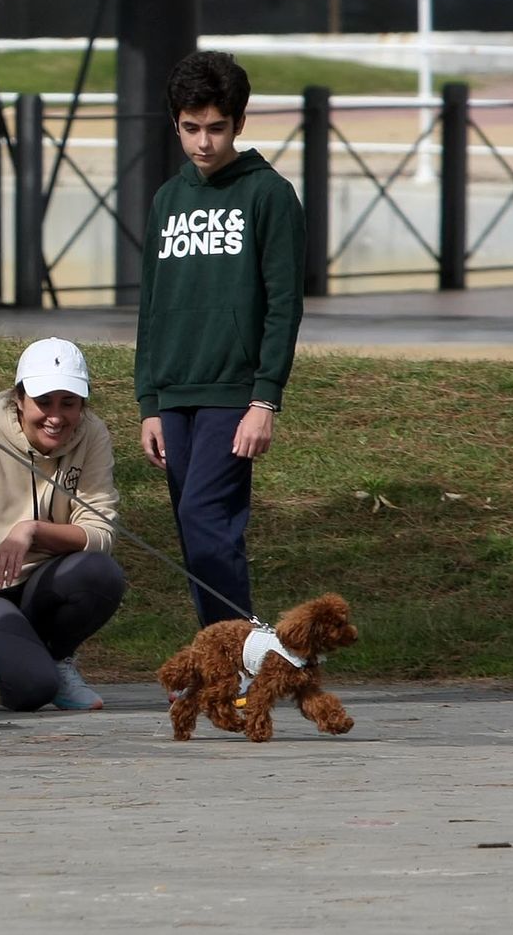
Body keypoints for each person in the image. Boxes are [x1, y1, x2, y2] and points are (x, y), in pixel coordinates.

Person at [135, 50, 305, 628]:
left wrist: (265, 400)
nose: (203, 142)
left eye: (215, 128)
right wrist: (149, 402)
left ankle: (238, 655)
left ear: (239, 122)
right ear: (175, 123)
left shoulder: (269, 195)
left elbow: (284, 305)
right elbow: (151, 308)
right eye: (190, 128)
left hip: (234, 395)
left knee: (209, 524)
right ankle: (229, 656)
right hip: (174, 395)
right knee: (194, 532)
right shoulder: (167, 199)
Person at [0, 338, 126, 712]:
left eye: (69, 403)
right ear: (19, 399)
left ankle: (55, 658)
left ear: (83, 403)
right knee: (32, 690)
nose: (56, 417)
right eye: (43, 402)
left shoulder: (92, 435)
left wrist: (32, 529)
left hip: (38, 580)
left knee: (100, 574)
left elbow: (100, 534)